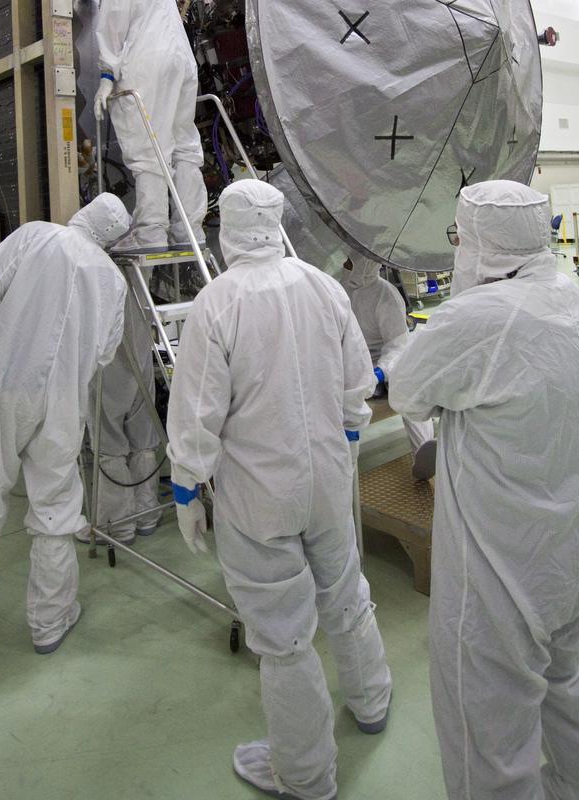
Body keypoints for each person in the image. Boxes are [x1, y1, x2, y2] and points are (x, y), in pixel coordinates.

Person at [387, 180, 579, 800]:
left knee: (486, 729)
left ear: (480, 242)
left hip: (501, 569)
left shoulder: (481, 316)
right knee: (570, 684)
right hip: (569, 551)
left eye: (459, 236)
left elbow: (408, 389)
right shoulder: (567, 294)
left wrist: (398, 348)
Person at [167, 180, 392, 800]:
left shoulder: (217, 302)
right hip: (328, 479)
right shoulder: (322, 285)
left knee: (284, 635)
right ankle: (371, 699)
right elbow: (357, 383)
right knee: (346, 591)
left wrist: (186, 486)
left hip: (259, 497)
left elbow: (196, 413)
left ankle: (305, 773)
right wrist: (346, 439)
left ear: (226, 229)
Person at [0, 193, 130, 658]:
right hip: (65, 401)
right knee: (56, 506)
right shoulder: (113, 279)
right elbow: (105, 352)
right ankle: (51, 620)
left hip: (6, 389)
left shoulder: (39, 234)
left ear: (83, 212)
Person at [76, 0, 206, 248]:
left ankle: (150, 233)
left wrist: (106, 75)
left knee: (148, 148)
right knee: (184, 147)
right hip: (181, 62)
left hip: (149, 64)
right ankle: (190, 231)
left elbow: (113, 25)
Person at [340, 255, 437, 480]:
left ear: (365, 261)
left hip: (385, 369)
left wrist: (380, 371)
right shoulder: (338, 289)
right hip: (353, 365)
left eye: (349, 260)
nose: (345, 264)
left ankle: (424, 451)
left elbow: (397, 346)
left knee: (408, 386)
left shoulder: (385, 294)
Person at [81, 290, 162, 544]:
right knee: (142, 428)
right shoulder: (136, 258)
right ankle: (146, 511)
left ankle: (117, 525)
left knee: (108, 435)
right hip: (139, 340)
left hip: (107, 344)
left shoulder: (97, 261)